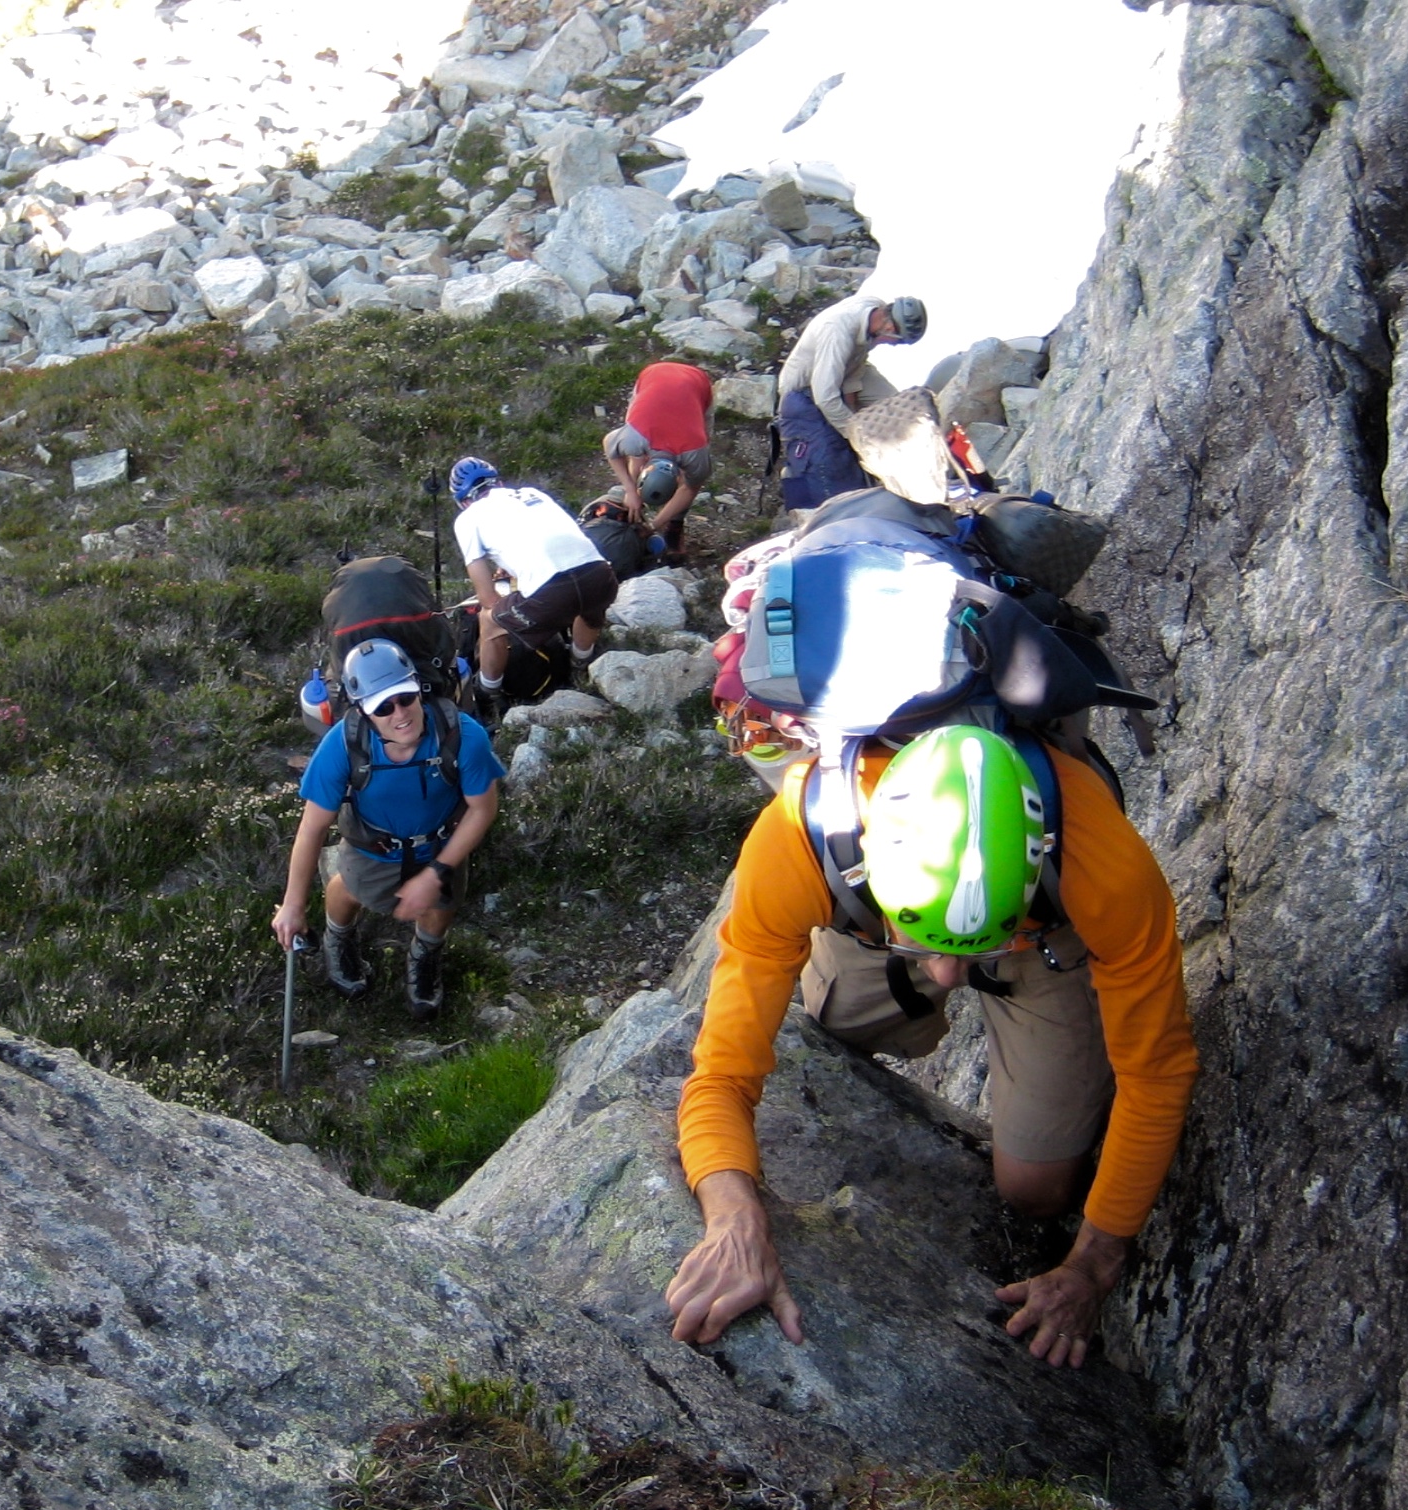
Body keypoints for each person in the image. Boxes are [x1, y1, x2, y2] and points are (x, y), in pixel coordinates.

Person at [664, 724, 1198, 1368]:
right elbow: (722, 1073)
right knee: (835, 1024)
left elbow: (1157, 1075)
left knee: (1037, 1191)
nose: (948, 973)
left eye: (972, 952)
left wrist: (1092, 1264)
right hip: (876, 923)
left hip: (1043, 939)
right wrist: (732, 1220)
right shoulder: (800, 838)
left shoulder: (1101, 865)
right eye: (926, 947)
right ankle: (935, 940)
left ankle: (976, 944)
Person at [272, 639, 505, 1020]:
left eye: (406, 698)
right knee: (350, 886)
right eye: (383, 706)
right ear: (363, 711)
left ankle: (425, 955)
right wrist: (294, 905)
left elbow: (483, 809)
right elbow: (312, 828)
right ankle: (339, 938)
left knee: (442, 901)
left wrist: (439, 870)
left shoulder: (463, 736)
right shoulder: (342, 747)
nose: (400, 713)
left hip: (442, 843)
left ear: (418, 689)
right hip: (372, 848)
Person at [449, 457, 619, 722]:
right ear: (499, 483)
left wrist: (506, 603)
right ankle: (580, 664)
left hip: (552, 594)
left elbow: (487, 598)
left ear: (464, 501)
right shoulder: (532, 493)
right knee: (588, 604)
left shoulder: (468, 518)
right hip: (600, 575)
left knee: (489, 621)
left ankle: (488, 692)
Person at [776, 293, 927, 512]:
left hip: (845, 373)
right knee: (831, 457)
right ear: (889, 327)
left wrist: (854, 410)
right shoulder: (837, 332)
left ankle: (906, 470)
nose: (894, 346)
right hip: (804, 394)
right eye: (897, 340)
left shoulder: (874, 308)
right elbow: (825, 396)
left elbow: (853, 367)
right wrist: (855, 436)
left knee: (898, 407)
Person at [602, 359, 715, 554]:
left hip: (697, 383)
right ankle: (634, 503)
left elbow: (690, 488)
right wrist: (630, 490)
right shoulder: (634, 438)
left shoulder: (696, 456)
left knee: (690, 478)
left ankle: (675, 525)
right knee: (636, 456)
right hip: (655, 375)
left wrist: (654, 525)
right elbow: (609, 447)